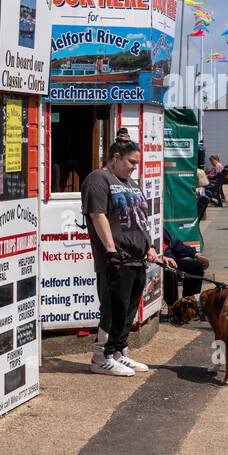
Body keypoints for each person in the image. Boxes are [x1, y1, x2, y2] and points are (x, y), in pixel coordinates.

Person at [82, 139, 174, 376]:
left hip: (137, 258)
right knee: (113, 308)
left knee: (129, 309)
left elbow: (140, 219)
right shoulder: (98, 180)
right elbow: (97, 215)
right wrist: (111, 250)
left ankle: (118, 352)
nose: (134, 167)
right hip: (116, 259)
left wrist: (150, 248)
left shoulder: (130, 182)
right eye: (131, 162)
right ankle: (100, 356)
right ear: (115, 157)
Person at [164, 230, 210, 304]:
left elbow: (176, 244)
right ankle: (172, 306)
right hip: (157, 261)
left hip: (172, 259)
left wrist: (196, 254)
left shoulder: (161, 228)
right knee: (170, 270)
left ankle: (189, 303)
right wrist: (162, 258)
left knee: (196, 266)